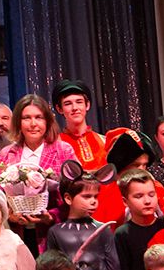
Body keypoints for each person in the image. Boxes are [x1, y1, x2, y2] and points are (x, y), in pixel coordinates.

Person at [0, 93, 71, 249]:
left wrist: (52, 216)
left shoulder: (63, 150)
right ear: (18, 122)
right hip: (18, 235)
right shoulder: (7, 153)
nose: (33, 124)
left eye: (39, 117)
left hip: (54, 235)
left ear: (47, 121)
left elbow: (75, 193)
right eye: (26, 118)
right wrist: (10, 215)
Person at [52, 80, 124, 224]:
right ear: (59, 109)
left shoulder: (105, 141)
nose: (75, 108)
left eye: (79, 102)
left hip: (114, 215)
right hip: (78, 220)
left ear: (87, 105)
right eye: (68, 103)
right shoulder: (57, 146)